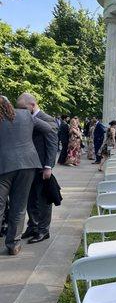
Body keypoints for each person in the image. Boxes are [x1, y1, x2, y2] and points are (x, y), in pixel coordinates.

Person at [0, 96, 53, 255]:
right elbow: (48, 128)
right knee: (19, 205)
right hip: (28, 164)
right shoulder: (25, 115)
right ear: (9, 105)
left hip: (4, 166)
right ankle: (13, 244)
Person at [16, 93, 58, 245]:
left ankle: (43, 230)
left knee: (43, 200)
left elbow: (52, 145)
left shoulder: (48, 120)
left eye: (23, 108)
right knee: (30, 199)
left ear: (32, 105)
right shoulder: (25, 118)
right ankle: (33, 226)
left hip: (41, 167)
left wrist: (48, 166)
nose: (20, 111)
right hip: (28, 166)